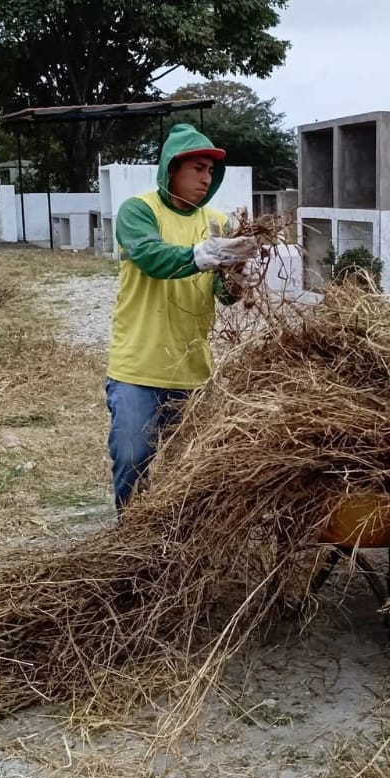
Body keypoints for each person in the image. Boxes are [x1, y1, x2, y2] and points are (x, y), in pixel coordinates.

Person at [105, 121, 257, 509]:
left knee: (189, 470)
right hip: (138, 367)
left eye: (211, 170)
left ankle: (178, 538)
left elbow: (222, 294)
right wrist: (198, 255)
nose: (206, 178)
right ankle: (131, 533)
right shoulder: (139, 211)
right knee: (133, 457)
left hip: (192, 370)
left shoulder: (218, 224)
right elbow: (150, 256)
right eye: (197, 168)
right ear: (171, 168)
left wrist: (239, 280)